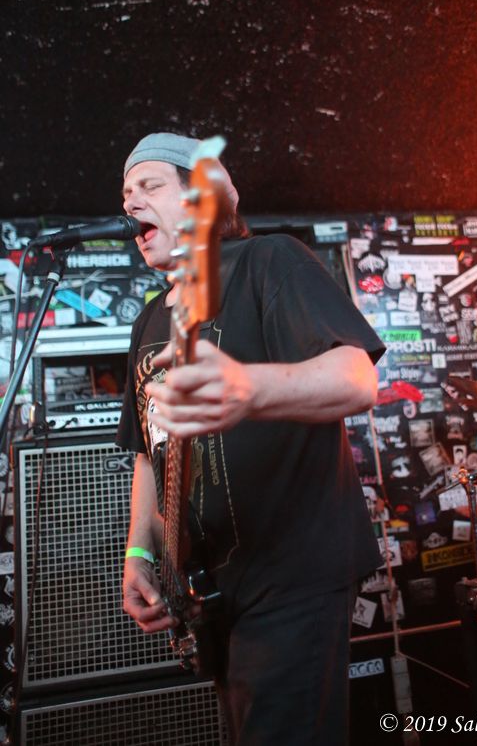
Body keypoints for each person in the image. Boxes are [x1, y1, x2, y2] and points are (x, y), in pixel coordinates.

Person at [117, 132, 385, 746]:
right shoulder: (150, 319)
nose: (130, 204)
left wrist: (249, 388)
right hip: (209, 589)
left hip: (291, 572)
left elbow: (356, 379)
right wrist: (139, 552)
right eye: (125, 194)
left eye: (149, 186)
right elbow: (148, 453)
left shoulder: (269, 261)